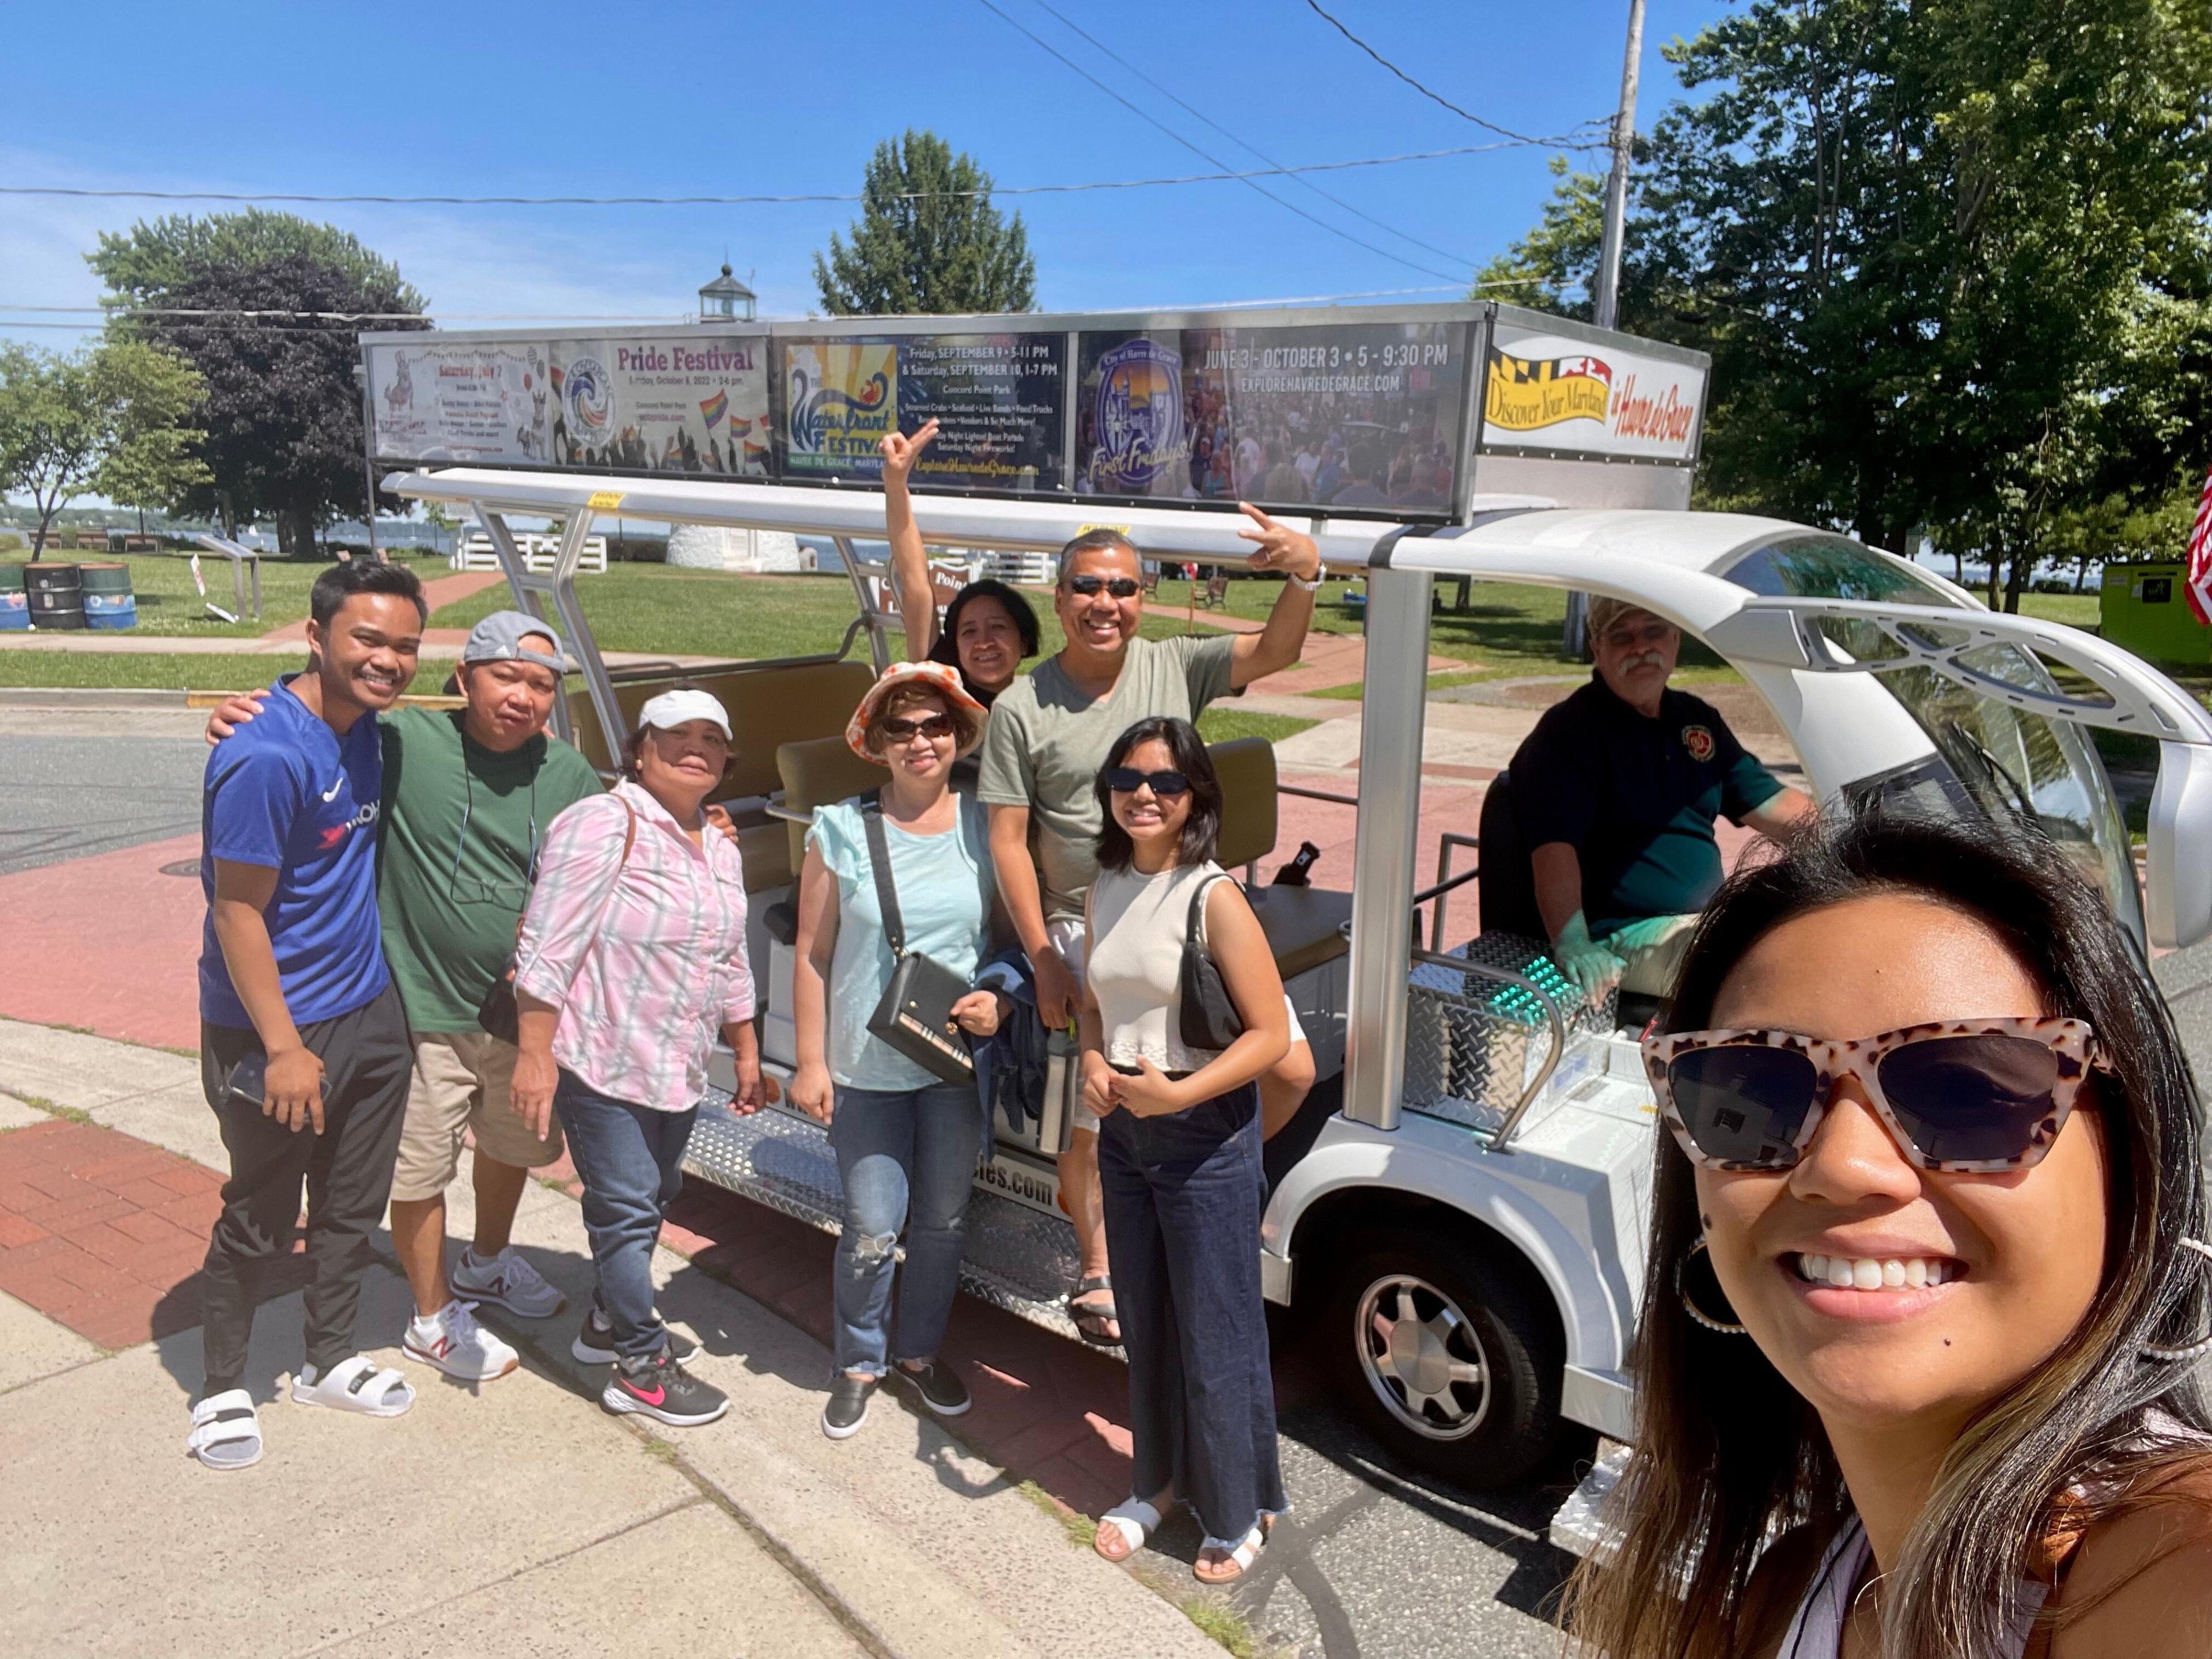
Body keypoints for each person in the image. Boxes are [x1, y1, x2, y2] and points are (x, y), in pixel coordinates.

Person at [1563, 806, 2212, 1659]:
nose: (1842, 1166)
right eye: (1754, 1090)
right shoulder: (1781, 1591)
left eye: (1969, 1091)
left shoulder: (2170, 1570)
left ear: (2133, 1173)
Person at [204, 612, 604, 1386]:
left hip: (522, 1016)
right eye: (505, 676)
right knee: (418, 1170)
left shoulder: (570, 778)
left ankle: (487, 1261)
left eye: (541, 685)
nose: (521, 697)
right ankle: (430, 1316)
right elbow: (311, 723)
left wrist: (704, 823)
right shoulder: (400, 743)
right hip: (419, 1008)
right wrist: (237, 717)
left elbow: (621, 842)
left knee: (509, 1147)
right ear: (464, 680)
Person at [978, 516, 1323, 1347]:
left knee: (1294, 1068)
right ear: (1059, 599)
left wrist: (1305, 576)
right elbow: (1008, 843)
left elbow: (1274, 652)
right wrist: (1045, 961)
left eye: (1123, 587)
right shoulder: (1023, 708)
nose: (1106, 602)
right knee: (1093, 1105)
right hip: (1083, 921)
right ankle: (1099, 1261)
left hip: (1178, 906)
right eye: (1088, 587)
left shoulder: (1173, 663)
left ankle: (1199, 1174)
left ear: (1144, 595)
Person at [185, 561, 427, 1472]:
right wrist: (283, 1050)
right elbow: (235, 910)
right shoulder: (264, 751)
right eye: (367, 639)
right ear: (316, 636)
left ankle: (329, 1357)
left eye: (404, 646)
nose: (387, 660)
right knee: (258, 1214)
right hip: (276, 1031)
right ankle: (220, 1387)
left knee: (351, 1203)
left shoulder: (365, 731)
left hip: (369, 1012)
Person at [510, 687, 764, 1428]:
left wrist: (745, 1050)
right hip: (602, 1059)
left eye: (712, 739)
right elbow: (546, 946)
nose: (696, 749)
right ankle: (640, 1365)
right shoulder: (601, 822)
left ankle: (602, 1322)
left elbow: (728, 959)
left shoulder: (718, 840)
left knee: (655, 1195)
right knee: (624, 1209)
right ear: (640, 749)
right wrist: (536, 1056)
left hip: (677, 1064)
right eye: (676, 735)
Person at [1079, 718, 1291, 1584]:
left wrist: (1180, 1093)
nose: (1144, 794)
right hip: (1128, 1132)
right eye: (1128, 777)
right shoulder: (1102, 885)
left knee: (1220, 1329)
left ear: (1196, 796)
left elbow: (1272, 1035)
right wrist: (1092, 1059)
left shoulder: (1215, 898)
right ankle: (1158, 1483)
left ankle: (1239, 1510)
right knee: (1148, 1316)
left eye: (1165, 783)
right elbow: (1094, 1002)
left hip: (1202, 1134)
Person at [790, 662, 1006, 1440]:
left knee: (944, 1222)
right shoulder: (840, 827)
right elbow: (814, 953)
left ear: (958, 736)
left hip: (951, 1063)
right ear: (877, 743)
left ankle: (916, 1356)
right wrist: (810, 1061)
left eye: (935, 726)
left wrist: (1002, 997)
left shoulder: (987, 822)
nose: (920, 741)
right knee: (874, 1225)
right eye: (902, 728)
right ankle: (858, 1361)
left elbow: (1011, 938)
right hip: (865, 1063)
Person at [1506, 594, 1813, 1002]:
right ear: (1597, 649)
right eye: (1622, 637)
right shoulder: (1570, 733)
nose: (1640, 648)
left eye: (1653, 632)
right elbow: (1554, 848)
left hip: (1700, 923)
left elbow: (1773, 806)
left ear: (1674, 641)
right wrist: (1574, 942)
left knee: (1810, 932)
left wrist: (1845, 837)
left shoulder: (1695, 720)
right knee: (1761, 963)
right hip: (1623, 935)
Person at [880, 418, 1043, 710]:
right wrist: (895, 484)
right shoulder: (938, 682)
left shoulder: (1040, 706)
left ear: (1025, 641)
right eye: (968, 631)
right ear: (953, 645)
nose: (984, 642)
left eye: (998, 627)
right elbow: (915, 579)